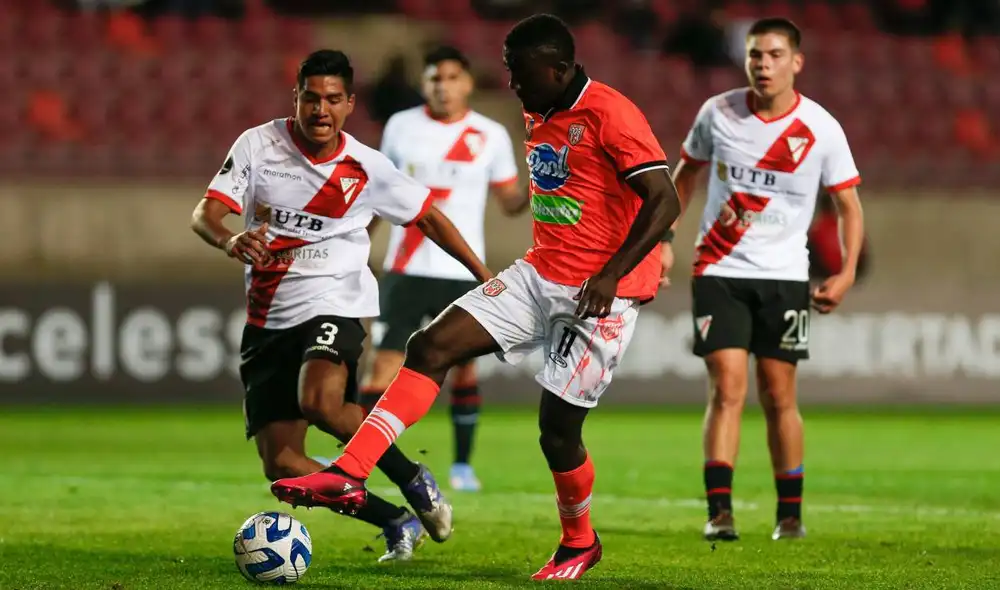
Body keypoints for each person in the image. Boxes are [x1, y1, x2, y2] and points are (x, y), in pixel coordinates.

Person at [271, 14, 682, 581]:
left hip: (598, 297)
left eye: (520, 72)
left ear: (558, 69)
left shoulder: (611, 113)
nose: (511, 83)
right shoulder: (542, 108)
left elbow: (664, 198)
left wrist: (617, 272)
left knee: (557, 433)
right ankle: (351, 470)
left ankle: (579, 541)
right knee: (430, 346)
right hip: (540, 274)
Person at [189, 49, 492, 562]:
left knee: (321, 402)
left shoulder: (366, 167)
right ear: (297, 99)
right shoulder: (258, 146)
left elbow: (429, 217)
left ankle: (413, 479)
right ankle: (393, 518)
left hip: (338, 299)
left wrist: (483, 276)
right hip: (268, 319)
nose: (320, 109)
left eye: (333, 99)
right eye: (311, 98)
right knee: (283, 465)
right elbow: (206, 213)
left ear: (350, 104)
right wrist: (228, 240)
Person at [663, 17, 865, 541]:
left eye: (775, 55)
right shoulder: (718, 113)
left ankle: (790, 514)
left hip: (785, 276)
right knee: (726, 387)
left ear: (796, 62)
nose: (763, 65)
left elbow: (848, 206)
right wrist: (663, 242)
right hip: (719, 270)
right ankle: (720, 511)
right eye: (755, 55)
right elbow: (683, 179)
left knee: (778, 395)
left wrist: (844, 271)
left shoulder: (820, 128)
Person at [363, 45, 526, 493]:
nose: (443, 86)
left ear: (468, 84)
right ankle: (363, 453)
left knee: (466, 370)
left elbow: (510, 201)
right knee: (382, 367)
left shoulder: (489, 134)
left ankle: (461, 465)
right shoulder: (400, 126)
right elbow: (382, 191)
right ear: (424, 83)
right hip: (405, 264)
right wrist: (361, 240)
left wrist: (543, 185)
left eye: (453, 77)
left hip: (461, 269)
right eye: (435, 78)